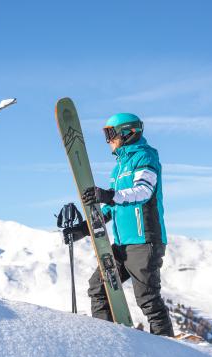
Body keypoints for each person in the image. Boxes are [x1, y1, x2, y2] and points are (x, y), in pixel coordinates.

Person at [63, 113, 174, 336]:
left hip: (144, 241)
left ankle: (171, 353)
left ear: (127, 132)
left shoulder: (145, 157)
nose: (108, 140)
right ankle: (110, 343)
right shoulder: (119, 167)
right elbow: (112, 207)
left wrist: (106, 195)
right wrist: (83, 230)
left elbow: (143, 191)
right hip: (122, 244)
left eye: (110, 133)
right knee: (98, 289)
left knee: (148, 300)